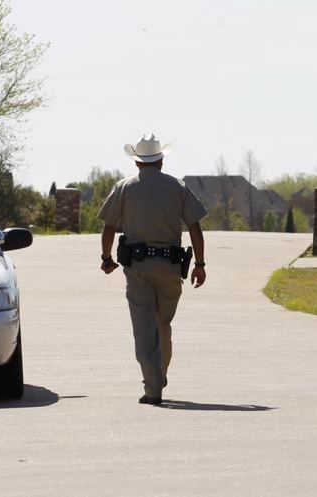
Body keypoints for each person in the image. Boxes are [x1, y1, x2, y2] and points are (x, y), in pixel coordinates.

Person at [98, 134, 207, 406]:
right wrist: (200, 265)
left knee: (145, 329)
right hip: (170, 268)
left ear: (136, 162)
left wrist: (106, 258)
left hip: (138, 269)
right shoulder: (177, 187)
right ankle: (159, 375)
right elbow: (195, 227)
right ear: (160, 160)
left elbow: (108, 226)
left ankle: (153, 389)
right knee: (163, 325)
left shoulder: (124, 188)